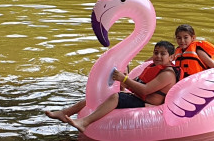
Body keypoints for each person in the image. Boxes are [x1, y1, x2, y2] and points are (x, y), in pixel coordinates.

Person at [47, 41, 179, 132]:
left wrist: (124, 79)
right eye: (156, 53)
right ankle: (64, 113)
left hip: (149, 104)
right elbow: (138, 84)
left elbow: (145, 89)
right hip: (140, 98)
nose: (158, 56)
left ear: (171, 56)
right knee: (100, 96)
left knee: (116, 97)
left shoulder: (167, 74)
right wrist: (123, 81)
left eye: (163, 54)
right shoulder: (154, 68)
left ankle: (84, 122)